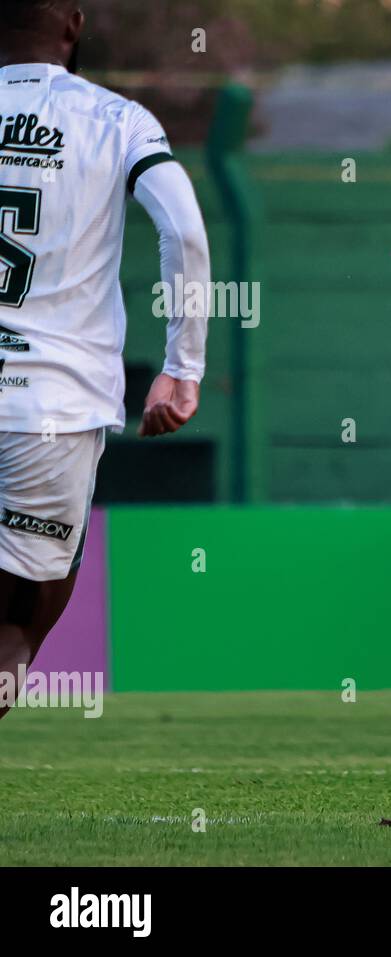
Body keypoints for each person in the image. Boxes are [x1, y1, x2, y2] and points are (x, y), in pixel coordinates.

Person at [0, 0, 210, 719]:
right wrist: (184, 363)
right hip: (50, 409)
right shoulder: (116, 119)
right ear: (74, 24)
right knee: (16, 624)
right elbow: (183, 229)